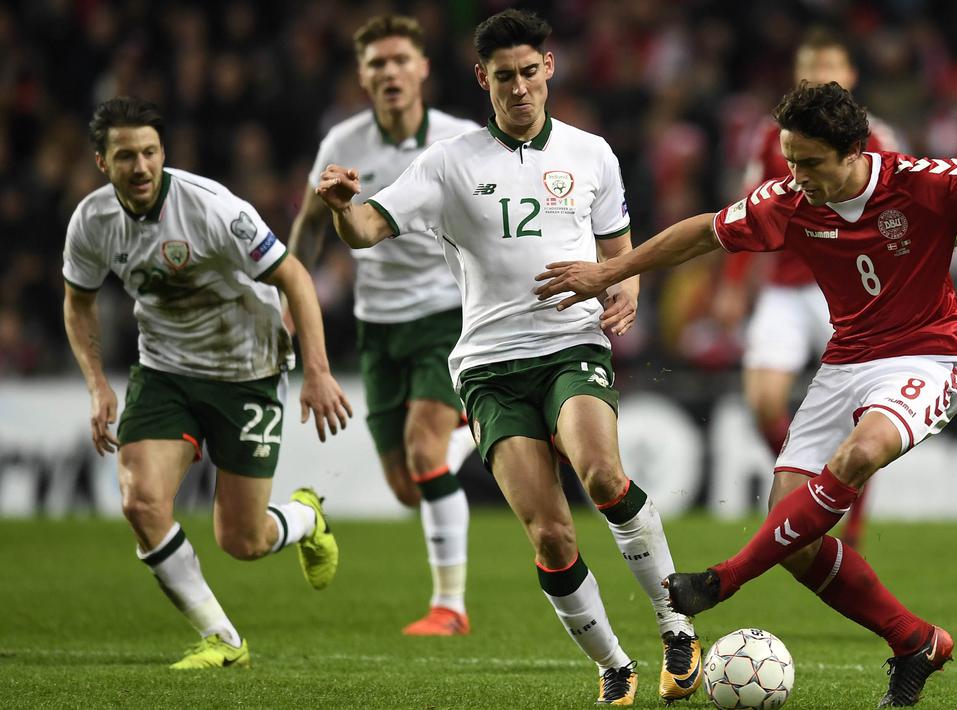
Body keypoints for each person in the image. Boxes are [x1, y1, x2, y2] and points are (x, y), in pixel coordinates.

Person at [535, 82, 957, 706]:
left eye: (810, 163)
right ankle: (914, 642)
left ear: (857, 152)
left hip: (929, 356)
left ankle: (723, 579)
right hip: (846, 360)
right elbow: (704, 231)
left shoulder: (926, 186)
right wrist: (612, 269)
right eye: (789, 160)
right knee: (792, 535)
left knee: (858, 454)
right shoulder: (787, 201)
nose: (796, 177)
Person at [314, 9, 702, 706]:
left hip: (569, 345)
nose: (519, 88)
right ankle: (614, 662)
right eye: (503, 77)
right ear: (480, 79)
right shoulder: (447, 163)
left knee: (603, 474)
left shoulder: (591, 154)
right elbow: (368, 229)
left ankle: (675, 626)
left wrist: (627, 291)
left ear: (548, 68)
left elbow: (621, 252)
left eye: (529, 72)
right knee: (550, 536)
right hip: (488, 367)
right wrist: (344, 206)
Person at [62, 97, 354, 669]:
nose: (141, 166)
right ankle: (223, 640)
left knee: (242, 541)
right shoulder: (91, 223)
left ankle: (304, 518)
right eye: (126, 156)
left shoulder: (212, 208)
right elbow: (78, 305)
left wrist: (316, 369)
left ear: (163, 152)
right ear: (103, 162)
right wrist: (98, 385)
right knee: (141, 502)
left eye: (149, 152)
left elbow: (293, 275)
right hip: (165, 370)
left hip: (247, 370)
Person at [287, 14, 479, 637]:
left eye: (401, 60)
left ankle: (449, 608)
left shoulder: (460, 138)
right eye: (377, 63)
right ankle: (483, 423)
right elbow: (313, 226)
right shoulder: (343, 143)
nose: (390, 72)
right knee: (407, 486)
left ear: (423, 68)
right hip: (378, 325)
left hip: (446, 312)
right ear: (363, 76)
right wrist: (291, 295)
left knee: (426, 453)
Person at [714, 27, 904, 550]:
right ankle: (820, 486)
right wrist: (733, 283)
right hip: (785, 288)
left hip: (849, 290)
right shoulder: (774, 137)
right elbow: (746, 206)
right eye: (811, 71)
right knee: (762, 401)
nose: (821, 79)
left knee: (862, 421)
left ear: (851, 76)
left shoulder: (878, 139)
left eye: (830, 69)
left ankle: (853, 522)